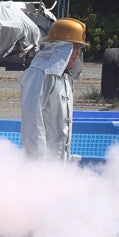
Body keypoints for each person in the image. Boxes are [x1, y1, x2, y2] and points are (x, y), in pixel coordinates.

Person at [20, 17, 87, 160]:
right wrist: (38, 163)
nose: (77, 53)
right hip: (42, 164)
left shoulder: (65, 77)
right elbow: (32, 122)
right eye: (74, 47)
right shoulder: (38, 74)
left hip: (57, 163)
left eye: (79, 48)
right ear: (61, 48)